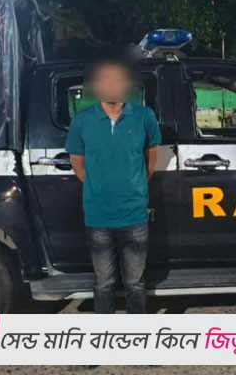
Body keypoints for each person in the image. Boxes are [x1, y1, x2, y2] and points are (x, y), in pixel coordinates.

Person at [65, 58, 161, 314]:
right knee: (104, 283)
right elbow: (77, 162)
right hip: (98, 215)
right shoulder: (82, 121)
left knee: (135, 283)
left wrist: (137, 185)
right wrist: (98, 187)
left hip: (135, 213)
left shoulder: (144, 117)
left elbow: (152, 155)